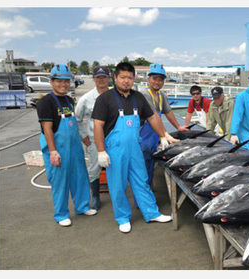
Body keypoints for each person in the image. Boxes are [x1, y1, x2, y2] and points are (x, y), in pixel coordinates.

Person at [92, 62, 172, 233]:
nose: (126, 81)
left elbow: (152, 118)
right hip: (114, 150)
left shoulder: (138, 97)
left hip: (135, 147)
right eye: (123, 77)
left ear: (134, 79)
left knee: (141, 181)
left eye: (130, 77)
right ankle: (122, 218)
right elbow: (98, 126)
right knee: (118, 185)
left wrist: (162, 135)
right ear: (115, 78)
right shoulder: (104, 99)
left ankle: (151, 213)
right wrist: (100, 151)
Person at [36, 64, 97, 227]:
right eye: (59, 81)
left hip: (74, 147)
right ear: (52, 81)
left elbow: (73, 123)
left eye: (66, 81)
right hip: (58, 148)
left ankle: (82, 206)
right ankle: (61, 214)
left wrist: (83, 138)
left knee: (80, 177)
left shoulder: (69, 100)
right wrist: (53, 151)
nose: (63, 84)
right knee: (60, 181)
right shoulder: (46, 102)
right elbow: (47, 128)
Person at [139, 63, 183, 187]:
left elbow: (168, 112)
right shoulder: (144, 94)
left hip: (153, 136)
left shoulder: (161, 95)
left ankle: (148, 193)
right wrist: (164, 134)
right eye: (154, 79)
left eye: (160, 79)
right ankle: (142, 201)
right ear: (149, 79)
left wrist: (178, 127)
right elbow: (154, 116)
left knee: (150, 167)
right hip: (143, 136)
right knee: (142, 169)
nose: (157, 82)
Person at [75, 66, 111, 210]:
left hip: (113, 139)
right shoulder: (86, 99)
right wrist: (83, 137)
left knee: (116, 167)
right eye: (98, 77)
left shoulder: (115, 95)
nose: (101, 80)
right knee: (94, 169)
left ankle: (117, 194)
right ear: (93, 78)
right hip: (95, 141)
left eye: (104, 77)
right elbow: (77, 118)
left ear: (109, 78)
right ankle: (95, 196)